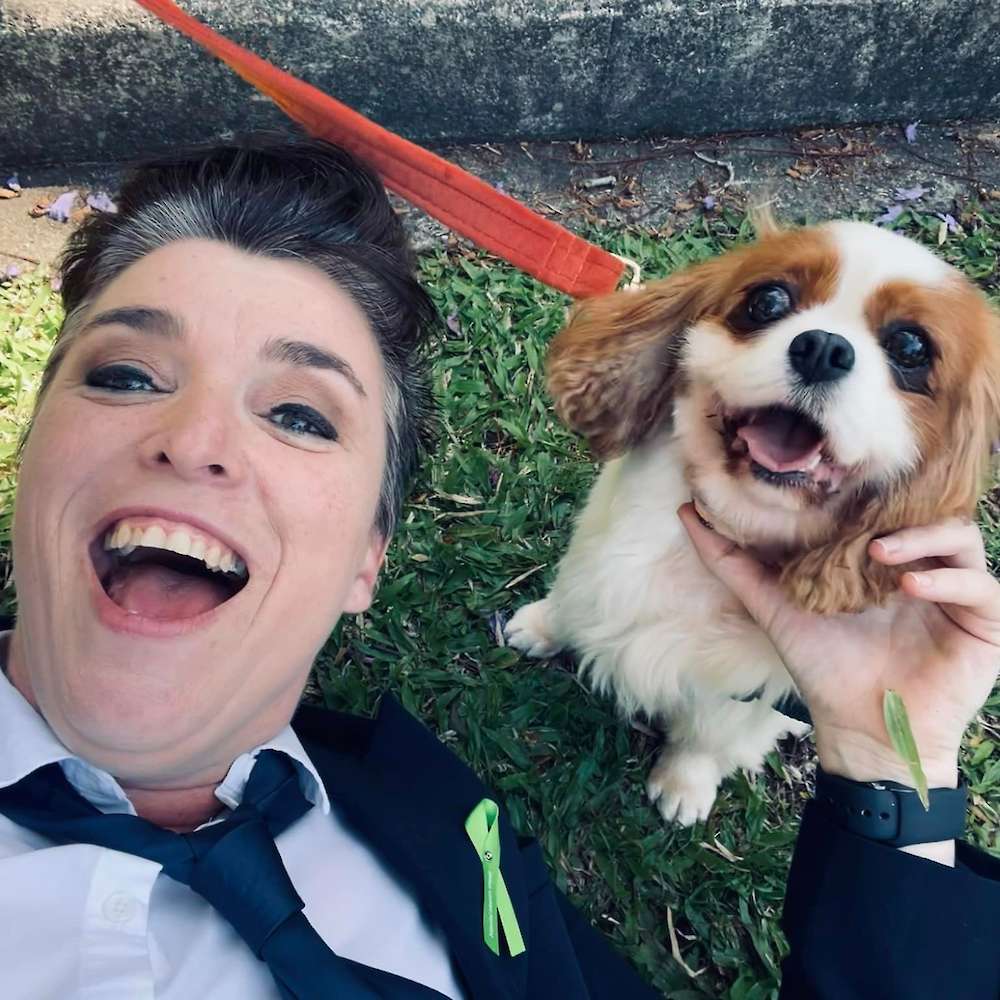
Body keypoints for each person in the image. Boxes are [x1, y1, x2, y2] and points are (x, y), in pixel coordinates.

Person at [0, 132, 996, 999]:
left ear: (370, 557)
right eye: (125, 374)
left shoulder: (444, 818)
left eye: (299, 415)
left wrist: (889, 755)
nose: (194, 444)